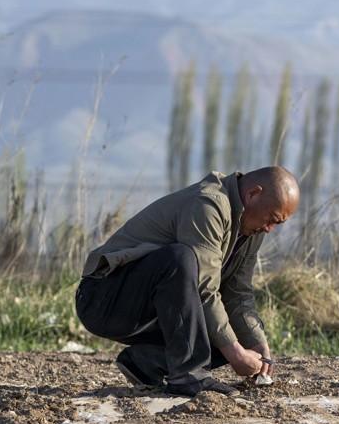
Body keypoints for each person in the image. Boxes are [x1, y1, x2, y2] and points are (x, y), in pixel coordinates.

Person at [75, 167, 300, 397]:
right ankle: (190, 377)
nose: (270, 229)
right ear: (254, 194)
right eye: (272, 218)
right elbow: (205, 288)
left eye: (277, 224)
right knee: (180, 258)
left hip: (154, 310)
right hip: (102, 301)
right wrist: (235, 354)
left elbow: (238, 293)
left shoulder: (252, 228)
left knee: (234, 335)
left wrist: (256, 345)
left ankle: (147, 362)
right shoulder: (208, 205)